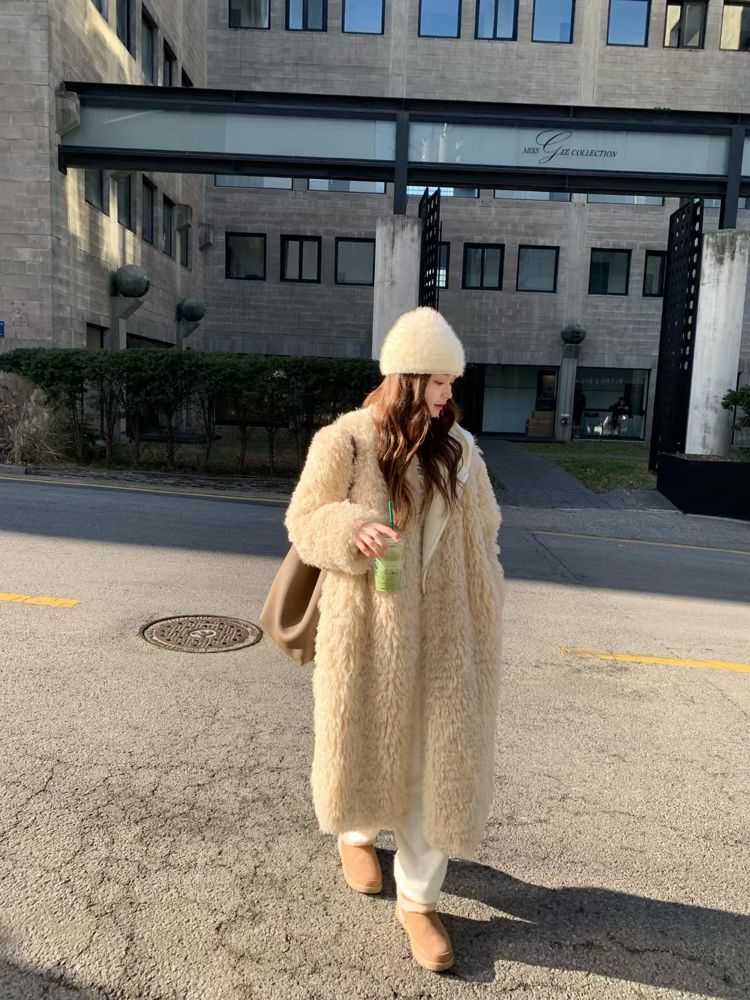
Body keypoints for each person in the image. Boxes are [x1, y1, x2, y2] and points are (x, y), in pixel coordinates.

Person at [284, 307, 506, 973]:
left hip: (450, 631)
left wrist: (487, 597)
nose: (446, 394)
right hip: (371, 628)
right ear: (405, 380)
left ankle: (419, 900)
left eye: (450, 383)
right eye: (436, 382)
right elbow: (304, 519)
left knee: (435, 761)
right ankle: (356, 833)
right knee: (368, 737)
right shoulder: (348, 440)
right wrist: (353, 527)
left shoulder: (460, 450)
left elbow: (486, 529)